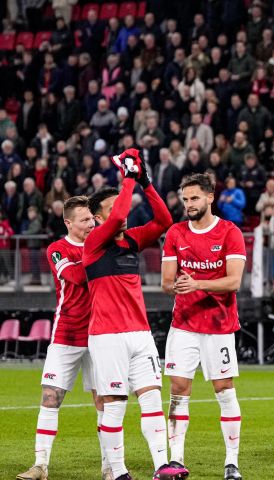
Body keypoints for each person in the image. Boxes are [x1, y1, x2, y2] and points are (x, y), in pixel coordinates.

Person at [83, 150, 186, 480]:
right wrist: (127, 178)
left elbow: (164, 221)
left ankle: (161, 466)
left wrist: (145, 182)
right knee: (114, 404)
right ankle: (119, 472)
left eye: (121, 204)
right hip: (107, 336)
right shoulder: (94, 242)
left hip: (139, 333)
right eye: (112, 208)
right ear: (97, 218)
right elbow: (116, 218)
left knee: (152, 399)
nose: (122, 213)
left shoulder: (131, 239)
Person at [16, 197, 109, 480]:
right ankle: (40, 465)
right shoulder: (57, 249)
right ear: (68, 222)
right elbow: (77, 276)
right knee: (50, 397)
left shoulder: (102, 244)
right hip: (67, 333)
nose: (91, 224)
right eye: (84, 220)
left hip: (100, 334)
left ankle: (110, 467)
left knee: (104, 402)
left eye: (92, 219)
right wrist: (99, 250)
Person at [161, 174, 246, 480]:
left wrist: (197, 282)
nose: (189, 205)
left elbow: (234, 281)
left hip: (219, 326)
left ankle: (231, 462)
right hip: (183, 325)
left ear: (210, 197)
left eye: (194, 198)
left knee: (224, 390)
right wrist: (177, 285)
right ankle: (176, 459)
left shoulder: (229, 232)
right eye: (185, 200)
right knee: (178, 389)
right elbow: (166, 283)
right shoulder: (175, 233)